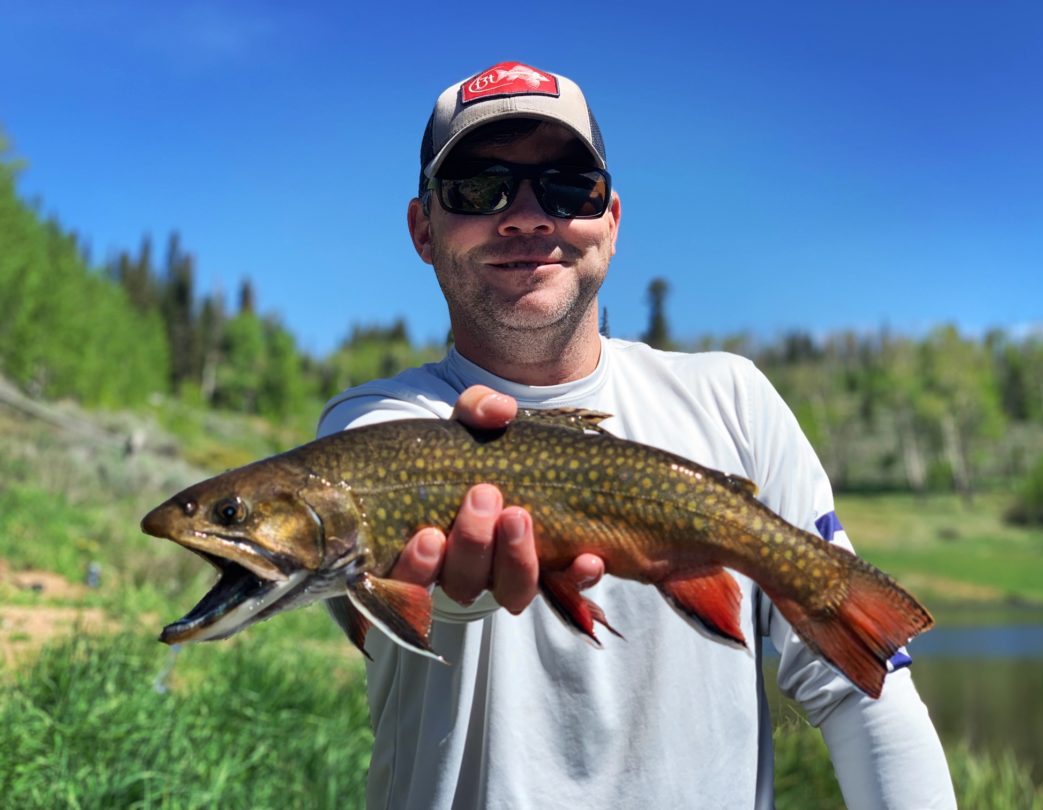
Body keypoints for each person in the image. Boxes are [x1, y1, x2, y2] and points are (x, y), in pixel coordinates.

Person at [318, 61, 956, 809]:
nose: (527, 216)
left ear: (611, 224)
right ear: (423, 229)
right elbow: (387, 600)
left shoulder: (733, 400)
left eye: (567, 187)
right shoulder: (375, 432)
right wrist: (458, 596)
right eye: (478, 188)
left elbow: (859, 689)